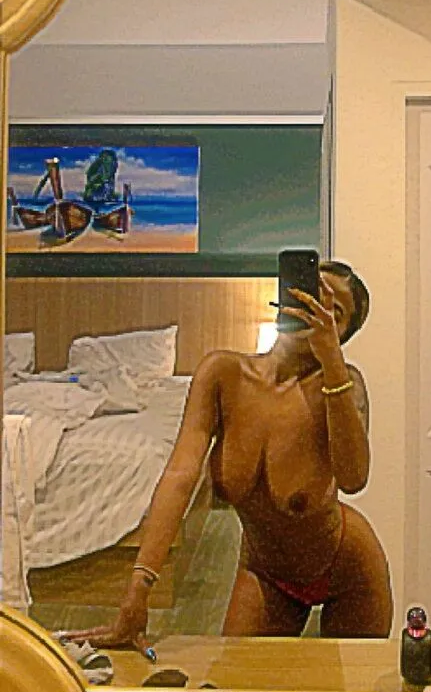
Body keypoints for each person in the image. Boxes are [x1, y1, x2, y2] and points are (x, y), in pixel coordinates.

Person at [67, 260, 393, 654]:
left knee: (354, 689)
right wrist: (139, 588)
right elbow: (179, 477)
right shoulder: (223, 374)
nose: (318, 308)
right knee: (235, 681)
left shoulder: (342, 386)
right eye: (314, 291)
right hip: (265, 573)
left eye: (334, 311)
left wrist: (332, 363)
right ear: (289, 292)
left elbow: (354, 478)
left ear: (342, 335)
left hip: (347, 570)